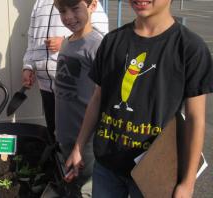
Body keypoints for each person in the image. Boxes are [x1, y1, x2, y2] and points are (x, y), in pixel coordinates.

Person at [65, 0, 213, 197]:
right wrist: (78, 146)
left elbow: (195, 119)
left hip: (154, 172)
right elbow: (97, 98)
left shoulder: (190, 48)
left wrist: (187, 183)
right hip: (107, 166)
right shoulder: (112, 41)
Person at [21, 0, 108, 141]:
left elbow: (102, 37)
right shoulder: (40, 3)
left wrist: (66, 41)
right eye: (63, 12)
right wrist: (28, 65)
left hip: (76, 88)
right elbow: (32, 38)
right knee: (56, 131)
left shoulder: (83, 2)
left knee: (79, 133)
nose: (67, 16)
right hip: (46, 85)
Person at [53, 0, 103, 197]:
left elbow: (102, 97)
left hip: (86, 140)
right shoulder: (67, 41)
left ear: (92, 6)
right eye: (63, 11)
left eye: (75, 9)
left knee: (86, 188)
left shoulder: (97, 46)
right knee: (72, 183)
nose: (68, 16)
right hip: (66, 133)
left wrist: (80, 146)